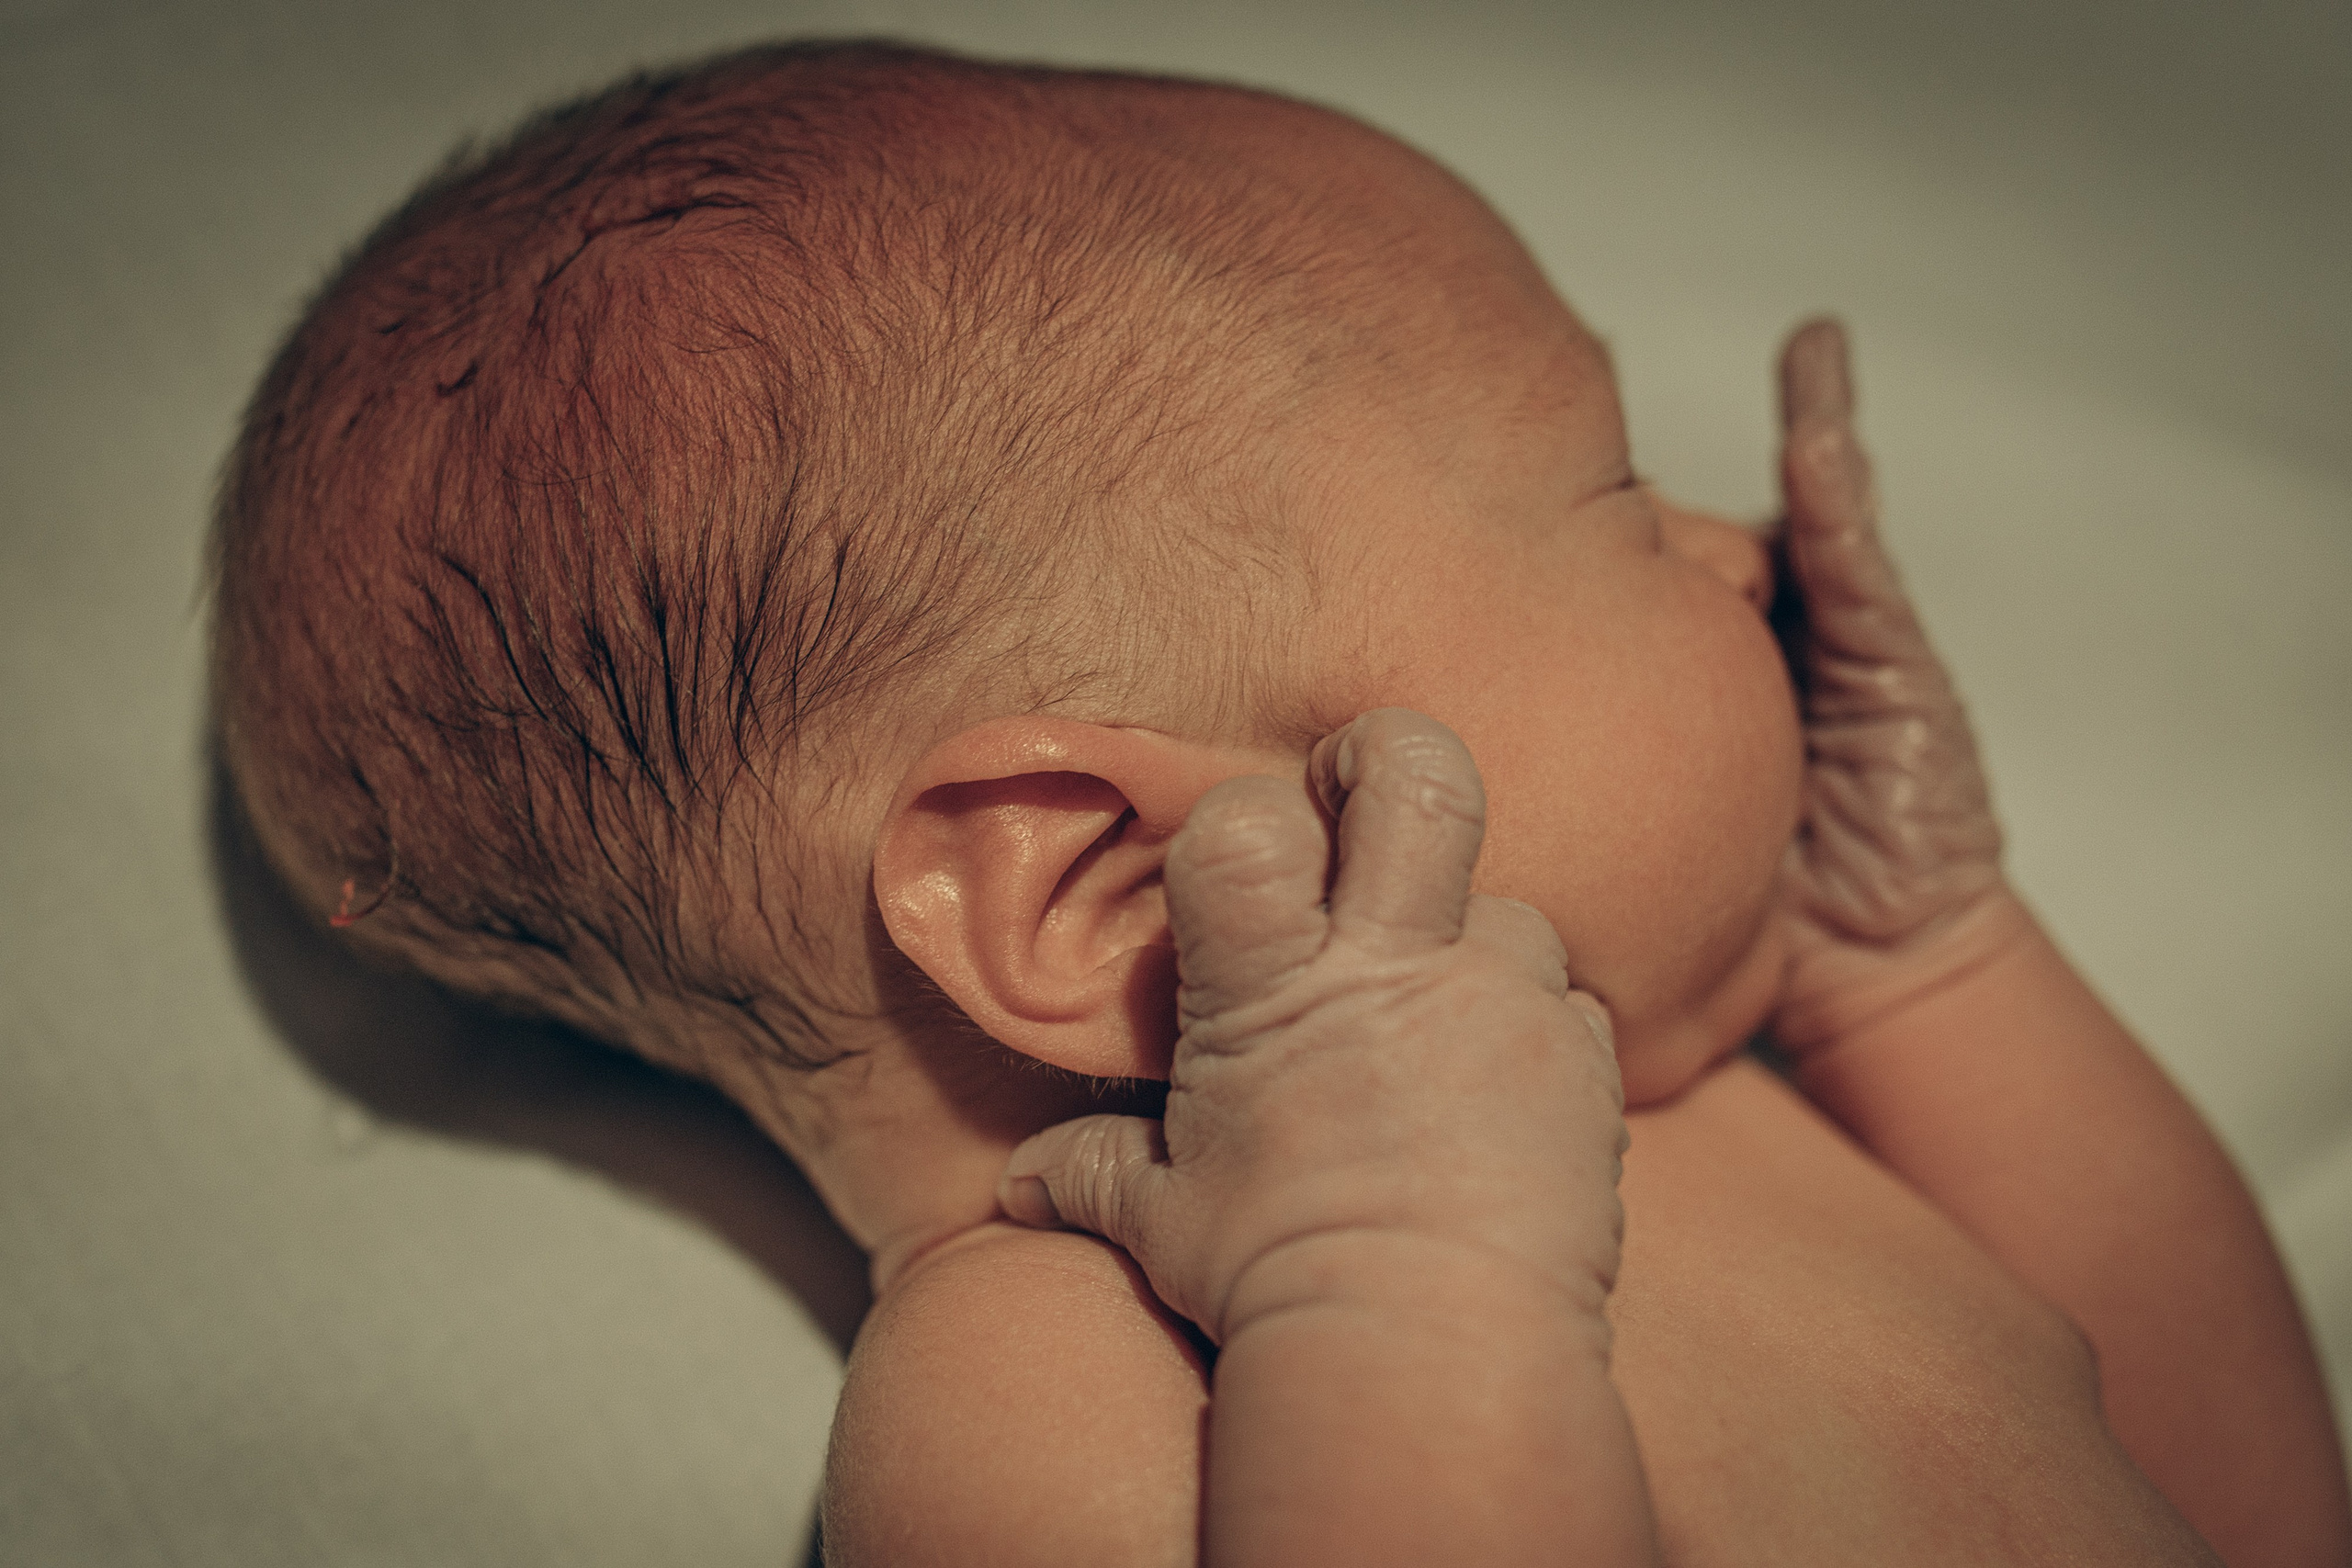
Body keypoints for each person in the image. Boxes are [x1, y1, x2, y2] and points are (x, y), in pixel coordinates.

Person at [209, 39, 2351, 1566]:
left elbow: (2234, 1495)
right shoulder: (1031, 1386)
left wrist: (1927, 955)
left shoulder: (1677, 1104)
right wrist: (1391, 1291)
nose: (1738, 550)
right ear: (1102, 887)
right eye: (1612, 490)